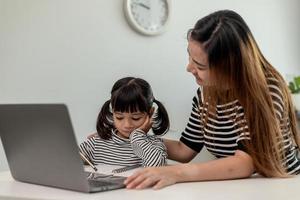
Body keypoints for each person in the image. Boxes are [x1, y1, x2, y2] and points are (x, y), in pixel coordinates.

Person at [124, 10, 300, 189]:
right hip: (239, 188)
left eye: (200, 65)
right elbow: (184, 150)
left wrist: (175, 173)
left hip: (283, 187)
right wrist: (135, 137)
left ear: (230, 67)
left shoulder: (268, 91)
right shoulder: (205, 95)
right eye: (189, 57)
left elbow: (244, 163)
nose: (189, 68)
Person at [79, 77, 170, 167]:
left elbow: (157, 169)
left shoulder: (154, 145)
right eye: (119, 117)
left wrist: (137, 136)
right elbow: (68, 160)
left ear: (150, 113)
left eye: (136, 118)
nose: (127, 125)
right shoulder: (96, 143)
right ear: (113, 112)